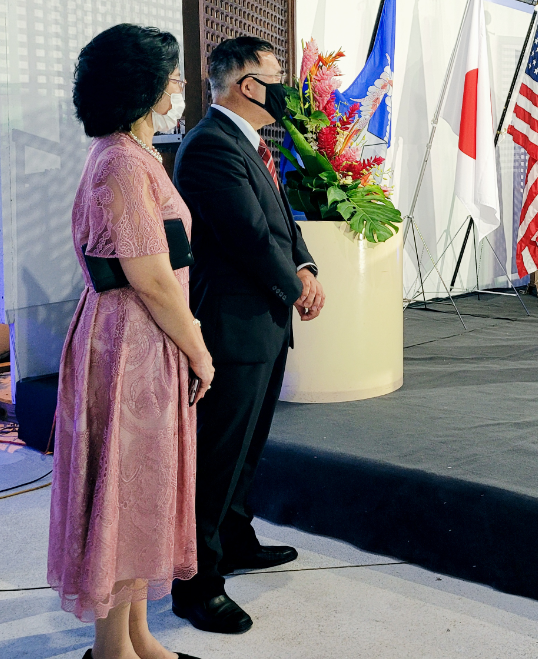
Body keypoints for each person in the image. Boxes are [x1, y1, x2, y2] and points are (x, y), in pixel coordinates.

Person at [48, 23, 215, 659]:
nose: (179, 82)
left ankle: (139, 638)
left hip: (138, 340)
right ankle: (113, 652)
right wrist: (197, 346)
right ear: (144, 87)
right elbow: (148, 272)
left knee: (138, 489)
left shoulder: (132, 154)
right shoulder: (120, 159)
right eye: (171, 73)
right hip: (129, 345)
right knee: (121, 489)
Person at [171, 35, 325, 634]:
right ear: (248, 85)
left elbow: (283, 225)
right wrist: (296, 287)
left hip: (264, 320)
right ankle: (196, 582)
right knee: (217, 455)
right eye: (277, 73)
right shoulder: (208, 145)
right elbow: (247, 235)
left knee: (247, 447)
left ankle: (235, 540)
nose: (286, 84)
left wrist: (306, 267)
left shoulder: (253, 142)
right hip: (231, 325)